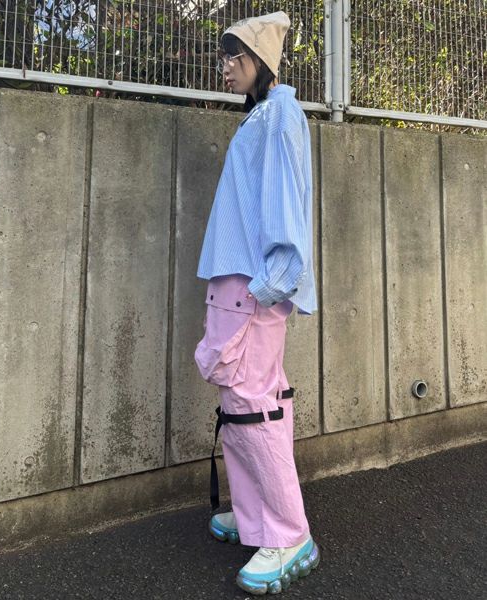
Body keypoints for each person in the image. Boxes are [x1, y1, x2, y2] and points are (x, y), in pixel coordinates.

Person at [194, 10, 319, 596]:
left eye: (236, 57)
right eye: (225, 56)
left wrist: (273, 282)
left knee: (251, 402)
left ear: (262, 63)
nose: (226, 66)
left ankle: (288, 534)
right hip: (239, 281)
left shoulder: (279, 115)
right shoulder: (261, 116)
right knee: (247, 398)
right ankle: (254, 517)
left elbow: (286, 199)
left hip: (253, 284)